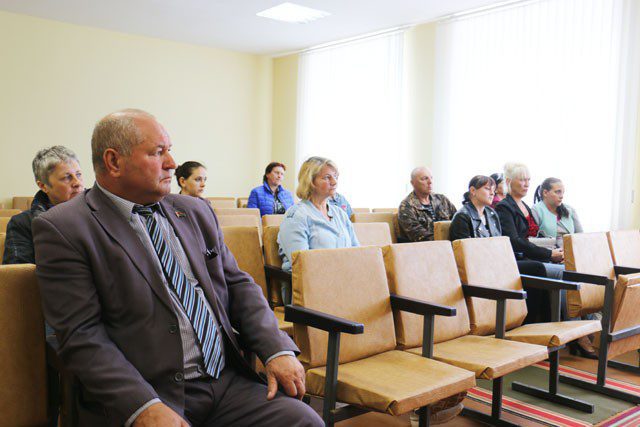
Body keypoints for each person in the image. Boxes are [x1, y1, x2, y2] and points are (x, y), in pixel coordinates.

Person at [33, 109, 323, 427]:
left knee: (304, 421)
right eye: (158, 152)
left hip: (225, 381)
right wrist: (142, 406)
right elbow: (81, 334)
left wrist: (276, 349)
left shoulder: (195, 211)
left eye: (169, 150)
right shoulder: (65, 227)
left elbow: (237, 285)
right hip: (149, 391)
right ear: (114, 162)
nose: (172, 162)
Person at [449, 175, 549, 323]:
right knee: (536, 268)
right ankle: (533, 322)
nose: (492, 193)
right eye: (487, 189)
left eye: (493, 189)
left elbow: (501, 244)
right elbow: (464, 255)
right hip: (481, 267)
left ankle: (540, 322)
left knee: (536, 267)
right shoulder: (462, 217)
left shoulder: (491, 214)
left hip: (497, 264)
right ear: (473, 191)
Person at [278, 156, 359, 276]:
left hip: (345, 277)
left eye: (335, 177)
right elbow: (302, 264)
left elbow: (357, 252)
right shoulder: (296, 216)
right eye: (327, 177)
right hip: (314, 281)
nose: (334, 182)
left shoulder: (340, 214)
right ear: (310, 181)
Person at [3, 146, 84, 265]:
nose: (77, 183)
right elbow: (18, 272)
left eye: (79, 174)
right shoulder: (22, 224)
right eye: (67, 177)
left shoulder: (99, 212)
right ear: (43, 186)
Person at [495, 163, 565, 280]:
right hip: (518, 259)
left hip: (532, 256)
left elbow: (533, 238)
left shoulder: (525, 206)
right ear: (508, 181)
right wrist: (549, 254)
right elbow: (515, 241)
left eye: (528, 180)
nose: (527, 184)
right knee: (564, 272)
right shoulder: (504, 207)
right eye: (522, 180)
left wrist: (554, 251)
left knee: (571, 268)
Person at [398, 167, 457, 242]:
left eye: (431, 178)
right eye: (424, 179)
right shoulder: (407, 206)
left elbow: (457, 221)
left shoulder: (442, 199)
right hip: (424, 247)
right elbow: (419, 236)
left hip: (449, 244)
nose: (430, 182)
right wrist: (446, 241)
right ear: (413, 183)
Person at [532, 177, 583, 248]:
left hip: (572, 250)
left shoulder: (570, 210)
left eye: (563, 192)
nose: (561, 196)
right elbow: (531, 240)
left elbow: (581, 236)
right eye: (558, 192)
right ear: (545, 193)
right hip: (548, 252)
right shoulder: (536, 210)